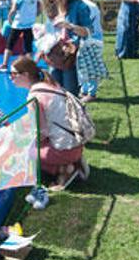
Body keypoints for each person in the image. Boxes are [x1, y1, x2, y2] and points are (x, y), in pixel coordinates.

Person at [9, 56, 88, 191]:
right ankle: (72, 162)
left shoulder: (34, 97)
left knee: (23, 153)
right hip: (77, 143)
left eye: (13, 74)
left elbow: (41, 132)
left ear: (25, 75)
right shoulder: (49, 85)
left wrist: (21, 143)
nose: (11, 78)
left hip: (66, 149)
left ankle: (65, 169)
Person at [42, 0, 92, 95]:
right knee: (54, 93)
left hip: (71, 57)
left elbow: (87, 31)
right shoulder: (51, 8)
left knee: (70, 95)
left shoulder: (79, 6)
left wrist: (69, 26)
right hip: (54, 55)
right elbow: (50, 32)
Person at [0, 0, 40, 71]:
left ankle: (4, 65)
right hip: (29, 23)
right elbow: (39, 7)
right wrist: (35, 14)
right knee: (28, 46)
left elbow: (14, 8)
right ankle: (30, 67)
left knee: (10, 44)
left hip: (18, 23)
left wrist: (9, 18)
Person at [78, 0, 105, 103]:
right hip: (90, 38)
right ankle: (84, 90)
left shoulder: (86, 6)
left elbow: (87, 25)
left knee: (91, 67)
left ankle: (91, 93)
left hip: (92, 39)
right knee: (83, 66)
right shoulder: (85, 4)